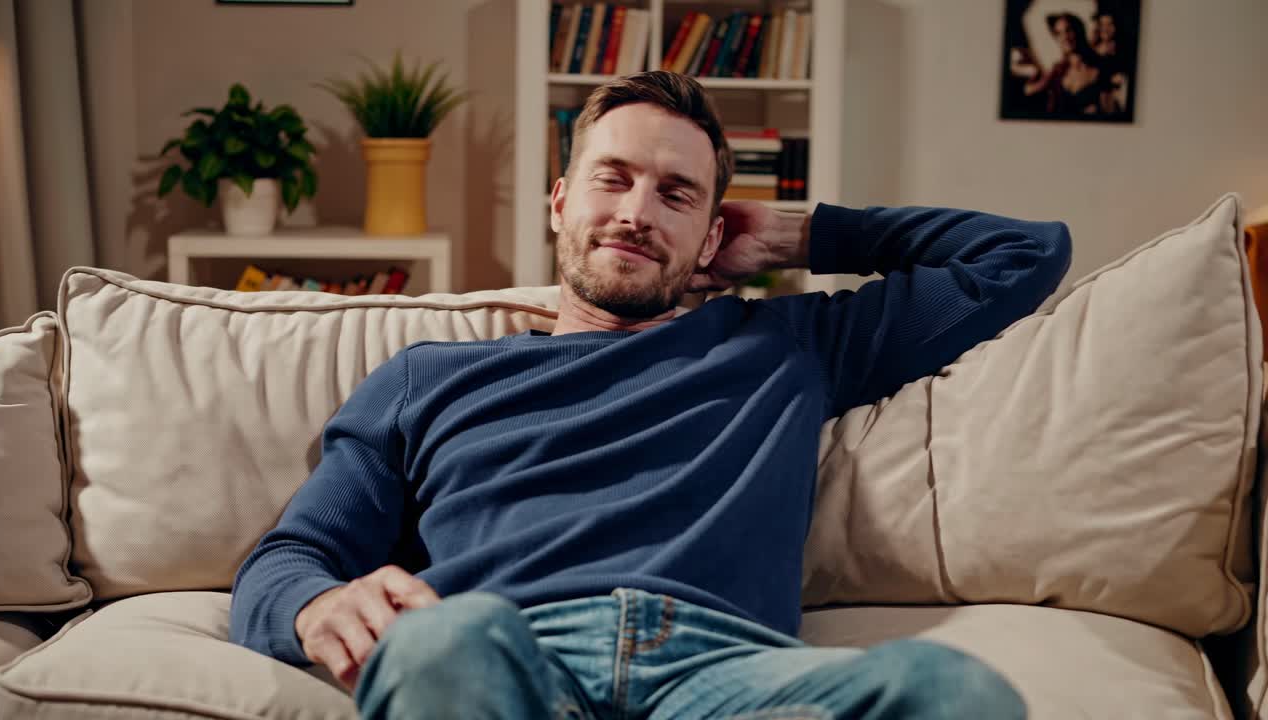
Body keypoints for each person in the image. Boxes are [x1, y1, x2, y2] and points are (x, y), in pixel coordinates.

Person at [230, 71, 1071, 719]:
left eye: (675, 195)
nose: (636, 213)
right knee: (440, 639)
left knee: (951, 689)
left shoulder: (784, 342)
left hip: (727, 677)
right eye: (612, 179)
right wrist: (318, 606)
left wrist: (804, 232)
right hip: (506, 659)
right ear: (560, 203)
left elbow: (1020, 257)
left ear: (712, 235)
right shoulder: (428, 377)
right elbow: (290, 557)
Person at [1013, 12, 1112, 117]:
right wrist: (1035, 71)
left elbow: (1110, 112)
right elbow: (1029, 90)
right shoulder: (1058, 70)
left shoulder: (1101, 66)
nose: (1065, 37)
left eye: (1069, 30)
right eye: (1058, 33)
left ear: (1080, 30)